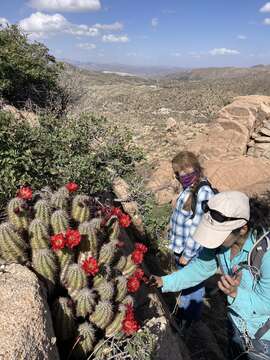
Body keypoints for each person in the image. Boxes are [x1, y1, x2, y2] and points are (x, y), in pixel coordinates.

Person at [154, 191, 270, 359]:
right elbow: (200, 268)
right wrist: (163, 282)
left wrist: (235, 294)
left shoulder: (265, 254)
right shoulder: (221, 245)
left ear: (243, 228)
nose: (213, 240)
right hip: (237, 324)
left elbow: (267, 303)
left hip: (264, 339)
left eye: (219, 234)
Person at [168, 151, 214, 330]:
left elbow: (199, 229)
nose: (182, 175)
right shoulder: (189, 189)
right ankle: (185, 314)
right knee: (188, 284)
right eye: (179, 172)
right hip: (181, 247)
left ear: (196, 168)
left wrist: (187, 255)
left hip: (192, 253)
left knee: (193, 286)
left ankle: (188, 320)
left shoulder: (203, 192)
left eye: (186, 171)